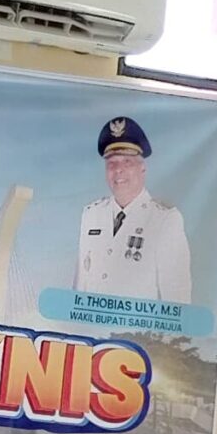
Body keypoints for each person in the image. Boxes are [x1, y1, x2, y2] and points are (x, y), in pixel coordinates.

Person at [75, 115, 192, 307]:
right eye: (112, 163)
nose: (118, 170)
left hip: (137, 327)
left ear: (142, 168)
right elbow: (80, 288)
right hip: (91, 325)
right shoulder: (91, 215)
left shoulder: (165, 220)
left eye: (127, 162)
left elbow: (177, 302)